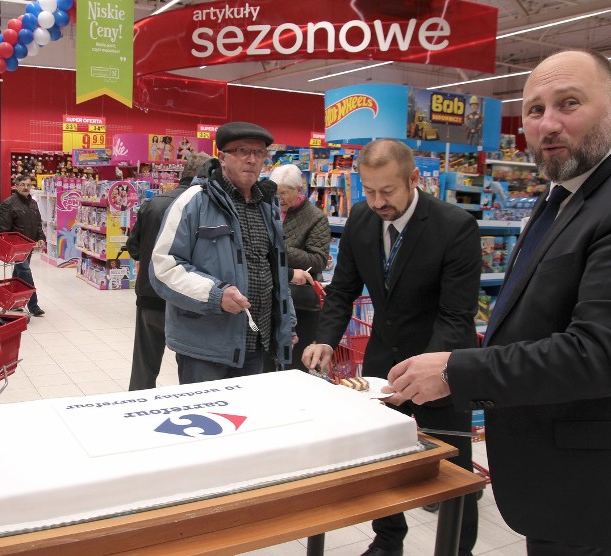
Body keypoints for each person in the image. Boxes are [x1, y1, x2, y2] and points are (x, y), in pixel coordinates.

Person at [386, 49, 611, 552]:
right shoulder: (561, 195)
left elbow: (601, 354)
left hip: (597, 497)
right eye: (535, 110)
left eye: (569, 103)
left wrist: (457, 371)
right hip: (556, 483)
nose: (549, 124)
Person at [302, 138, 482, 556]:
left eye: (388, 191)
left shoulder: (454, 226)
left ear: (413, 179)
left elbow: (456, 315)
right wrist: (325, 340)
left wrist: (428, 372)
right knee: (381, 459)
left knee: (453, 470)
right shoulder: (362, 220)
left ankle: (459, 550)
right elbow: (343, 289)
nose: (378, 201)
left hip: (441, 363)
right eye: (368, 190)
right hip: (381, 360)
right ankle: (387, 541)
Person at [150, 121, 295, 383]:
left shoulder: (267, 206)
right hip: (207, 348)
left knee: (249, 419)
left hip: (257, 342)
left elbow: (274, 270)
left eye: (259, 152)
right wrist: (216, 295)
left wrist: (286, 322)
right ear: (222, 156)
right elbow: (164, 268)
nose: (251, 159)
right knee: (207, 420)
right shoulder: (194, 201)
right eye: (242, 151)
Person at [126, 152, 212, 390]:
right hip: (185, 300)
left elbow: (133, 247)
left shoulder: (154, 203)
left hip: (149, 296)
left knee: (144, 366)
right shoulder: (203, 208)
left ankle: (135, 410)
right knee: (191, 369)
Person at [269, 163, 328, 371]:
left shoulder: (316, 217)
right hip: (270, 298)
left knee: (295, 365)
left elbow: (319, 259)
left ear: (300, 190)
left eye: (285, 193)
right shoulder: (268, 211)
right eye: (276, 193)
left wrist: (280, 249)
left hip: (301, 302)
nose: (280, 198)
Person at [0, 174, 46, 316]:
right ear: (16, 186)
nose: (26, 187)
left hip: (29, 245)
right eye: (23, 185)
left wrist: (41, 237)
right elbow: (3, 227)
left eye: (28, 185)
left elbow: (38, 223)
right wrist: (6, 244)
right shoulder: (9, 203)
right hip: (16, 247)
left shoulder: (33, 203)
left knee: (18, 275)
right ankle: (33, 305)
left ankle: (12, 302)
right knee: (25, 272)